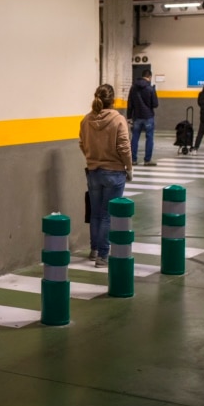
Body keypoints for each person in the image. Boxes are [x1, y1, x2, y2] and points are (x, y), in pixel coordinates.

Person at [79, 84, 133, 268]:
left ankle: (94, 250)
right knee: (107, 215)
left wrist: (91, 157)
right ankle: (103, 255)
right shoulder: (118, 119)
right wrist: (129, 167)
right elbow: (124, 146)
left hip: (93, 171)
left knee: (95, 213)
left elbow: (82, 143)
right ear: (114, 100)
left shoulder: (86, 120)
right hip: (114, 172)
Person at [126, 69, 159, 166]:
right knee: (149, 138)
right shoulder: (150, 88)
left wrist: (129, 117)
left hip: (137, 116)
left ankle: (133, 160)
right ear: (149, 77)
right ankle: (147, 160)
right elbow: (155, 104)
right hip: (148, 116)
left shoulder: (133, 88)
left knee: (135, 138)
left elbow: (130, 103)